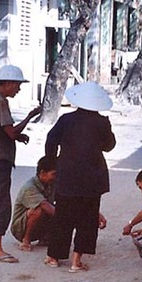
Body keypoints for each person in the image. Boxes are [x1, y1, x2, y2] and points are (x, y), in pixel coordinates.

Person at [44, 81, 116, 272]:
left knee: (63, 217)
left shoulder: (66, 120)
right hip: (93, 178)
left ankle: (53, 257)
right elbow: (109, 146)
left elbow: (51, 140)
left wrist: (53, 161)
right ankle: (76, 261)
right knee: (88, 218)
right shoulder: (102, 122)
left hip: (67, 175)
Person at [0, 65, 42, 264]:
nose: (18, 89)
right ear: (9, 83)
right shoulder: (0, 102)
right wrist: (30, 117)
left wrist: (17, 135)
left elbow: (5, 131)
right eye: (17, 85)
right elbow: (10, 132)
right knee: (1, 204)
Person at [11, 156, 57, 252]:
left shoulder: (51, 184)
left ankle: (45, 237)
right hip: (20, 228)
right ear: (43, 173)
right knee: (38, 210)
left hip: (40, 224)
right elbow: (47, 207)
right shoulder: (29, 188)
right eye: (53, 174)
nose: (56, 177)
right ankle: (26, 240)